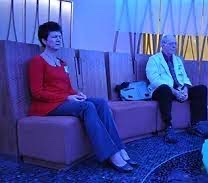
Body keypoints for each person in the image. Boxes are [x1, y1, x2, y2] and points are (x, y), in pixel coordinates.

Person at [28, 21, 137, 172]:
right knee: (87, 106)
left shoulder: (61, 62)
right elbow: (37, 92)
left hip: (64, 100)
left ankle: (119, 148)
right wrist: (66, 98)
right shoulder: (37, 62)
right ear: (44, 40)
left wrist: (76, 94)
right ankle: (110, 154)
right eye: (54, 37)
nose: (59, 39)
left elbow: (67, 88)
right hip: (48, 106)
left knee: (100, 103)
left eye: (60, 36)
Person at [146, 35, 208, 144]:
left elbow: (184, 77)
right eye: (171, 44)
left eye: (175, 43)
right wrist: (173, 91)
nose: (174, 46)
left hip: (178, 89)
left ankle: (194, 125)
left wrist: (186, 89)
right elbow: (154, 79)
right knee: (165, 89)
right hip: (161, 91)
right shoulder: (153, 59)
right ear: (163, 45)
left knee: (201, 89)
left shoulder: (178, 60)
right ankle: (168, 127)